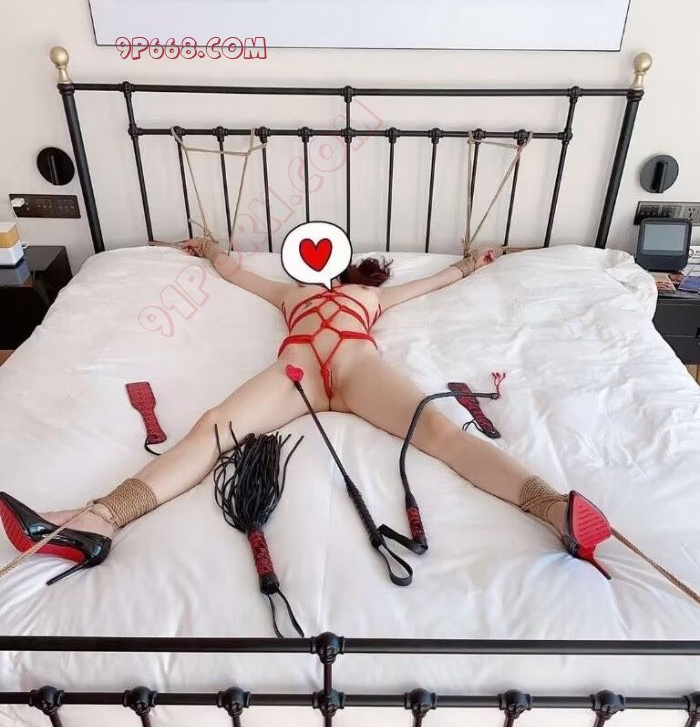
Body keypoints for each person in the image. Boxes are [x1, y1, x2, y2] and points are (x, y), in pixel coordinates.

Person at [0, 240, 612, 585]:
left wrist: (473, 263)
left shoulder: (370, 296)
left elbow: (436, 281)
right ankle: (100, 520)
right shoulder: (291, 293)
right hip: (297, 371)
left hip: (354, 367)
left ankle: (551, 507)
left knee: (440, 432)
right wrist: (211, 251)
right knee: (212, 428)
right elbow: (241, 276)